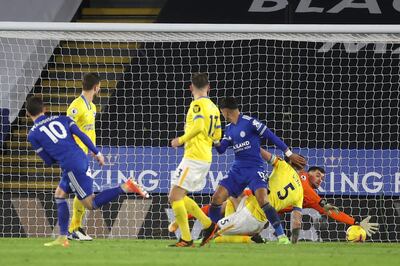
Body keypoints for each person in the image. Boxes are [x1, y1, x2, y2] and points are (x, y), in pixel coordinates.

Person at [26, 96, 148, 247]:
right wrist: (97, 153)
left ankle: (126, 187)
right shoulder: (63, 118)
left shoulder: (32, 134)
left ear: (27, 113)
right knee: (59, 195)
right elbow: (81, 135)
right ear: (45, 109)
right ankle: (63, 237)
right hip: (81, 157)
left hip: (71, 166)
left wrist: (57, 152)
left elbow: (48, 161)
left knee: (91, 203)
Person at [208, 97, 306, 244]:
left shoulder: (250, 122)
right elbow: (221, 149)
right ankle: (207, 236)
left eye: (221, 112)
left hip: (255, 168)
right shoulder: (229, 128)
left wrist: (289, 154)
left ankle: (281, 237)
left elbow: (271, 136)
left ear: (225, 111)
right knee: (216, 198)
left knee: (262, 199)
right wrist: (215, 140)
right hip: (238, 169)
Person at [168, 73, 222, 247]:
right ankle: (206, 225)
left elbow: (198, 126)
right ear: (209, 87)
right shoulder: (214, 107)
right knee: (178, 196)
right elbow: (218, 135)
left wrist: (181, 140)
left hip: (194, 156)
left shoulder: (197, 104)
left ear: (191, 87)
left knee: (174, 196)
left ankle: (188, 238)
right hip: (204, 156)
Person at [67, 73, 101, 241]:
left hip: (85, 155)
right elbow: (67, 128)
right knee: (83, 191)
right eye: (99, 86)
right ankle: (74, 229)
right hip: (75, 155)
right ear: (96, 87)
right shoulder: (76, 105)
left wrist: (94, 151)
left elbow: (89, 132)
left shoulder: (92, 107)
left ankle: (76, 228)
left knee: (81, 191)